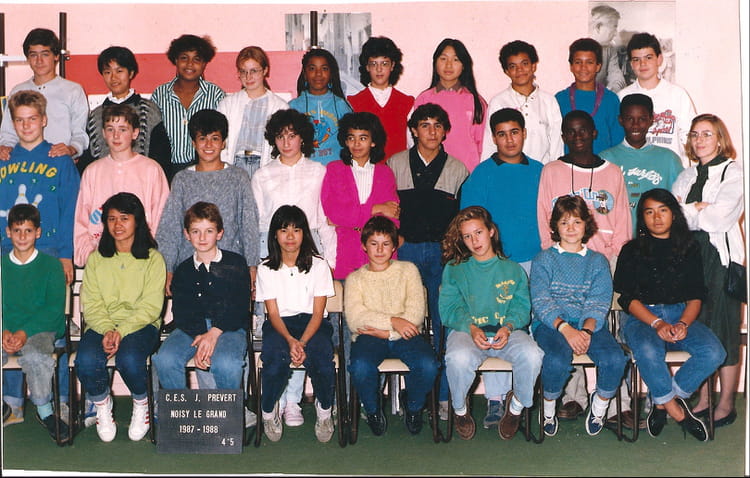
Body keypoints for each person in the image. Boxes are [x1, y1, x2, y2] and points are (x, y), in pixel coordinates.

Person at [536, 110, 632, 425]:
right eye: (571, 132)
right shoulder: (552, 170)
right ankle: (573, 397)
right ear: (564, 136)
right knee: (566, 327)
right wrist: (554, 251)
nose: (577, 137)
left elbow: (622, 219)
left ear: (594, 133)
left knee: (605, 326)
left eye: (583, 131)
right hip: (561, 256)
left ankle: (617, 403)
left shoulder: (612, 172)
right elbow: (544, 214)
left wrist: (616, 256)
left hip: (605, 260)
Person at [614, 188, 726, 441]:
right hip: (642, 317)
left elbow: (696, 295)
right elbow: (627, 299)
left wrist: (684, 323)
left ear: (673, 214)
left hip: (679, 313)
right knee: (649, 351)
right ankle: (679, 414)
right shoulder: (631, 250)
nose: (656, 217)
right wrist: (656, 323)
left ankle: (662, 402)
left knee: (714, 352)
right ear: (642, 217)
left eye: (663, 210)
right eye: (649, 212)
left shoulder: (689, 248)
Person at [250, 108, 337, 427]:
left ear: (303, 138)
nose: (287, 142)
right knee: (280, 323)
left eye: (292, 135)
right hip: (272, 250)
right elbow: (259, 223)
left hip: (310, 246)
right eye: (280, 136)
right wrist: (258, 262)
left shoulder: (318, 171)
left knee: (306, 321)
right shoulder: (262, 175)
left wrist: (331, 261)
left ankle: (293, 402)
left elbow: (324, 219)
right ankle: (278, 399)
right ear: (273, 140)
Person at [459, 107, 543, 427]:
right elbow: (470, 222)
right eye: (502, 134)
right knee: (495, 326)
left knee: (527, 330)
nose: (509, 140)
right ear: (493, 138)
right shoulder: (482, 174)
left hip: (535, 260)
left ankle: (522, 397)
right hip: (495, 266)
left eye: (514, 132)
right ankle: (495, 398)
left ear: (524, 134)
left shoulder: (540, 171)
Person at [387, 103, 467, 420]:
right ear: (414, 130)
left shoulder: (458, 169)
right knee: (409, 323)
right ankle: (414, 395)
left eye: (437, 125)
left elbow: (461, 218)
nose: (431, 131)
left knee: (443, 324)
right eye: (424, 125)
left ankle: (443, 397)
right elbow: (387, 208)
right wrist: (396, 238)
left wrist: (451, 250)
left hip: (441, 255)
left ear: (445, 131)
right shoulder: (395, 164)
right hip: (406, 254)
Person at [438, 205, 543, 441]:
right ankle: (460, 410)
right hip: (468, 331)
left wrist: (508, 327)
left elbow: (521, 308)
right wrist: (471, 327)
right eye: (467, 236)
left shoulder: (513, 270)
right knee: (457, 358)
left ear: (491, 231)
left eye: (478, 232)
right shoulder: (454, 270)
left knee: (532, 355)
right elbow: (449, 308)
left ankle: (515, 408)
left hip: (506, 331)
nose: (474, 241)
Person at [530, 194, 626, 437]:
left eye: (576, 222)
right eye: (564, 222)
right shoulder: (544, 259)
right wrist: (566, 329)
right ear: (555, 226)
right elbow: (541, 301)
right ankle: (549, 407)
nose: (571, 228)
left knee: (615, 358)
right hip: (552, 325)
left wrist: (585, 331)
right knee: (556, 359)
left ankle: (600, 406)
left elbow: (599, 301)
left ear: (586, 224)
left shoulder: (597, 261)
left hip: (588, 325)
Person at [671, 114, 744, 429]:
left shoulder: (734, 173)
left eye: (707, 134)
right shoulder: (686, 175)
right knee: (698, 328)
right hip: (689, 259)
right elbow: (673, 219)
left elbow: (719, 219)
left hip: (721, 261)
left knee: (724, 328)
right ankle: (703, 398)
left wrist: (692, 212)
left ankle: (725, 402)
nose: (700, 140)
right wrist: (698, 208)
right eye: (695, 134)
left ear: (720, 139)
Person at [74, 192, 166, 442]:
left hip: (141, 325)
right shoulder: (96, 259)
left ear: (137, 221)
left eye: (124, 218)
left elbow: (150, 307)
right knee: (85, 361)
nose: (117, 225)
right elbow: (92, 303)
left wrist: (121, 331)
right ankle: (102, 406)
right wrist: (107, 329)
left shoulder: (153, 259)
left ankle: (142, 404)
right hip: (102, 325)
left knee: (130, 359)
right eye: (111, 219)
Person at [345, 215, 438, 436]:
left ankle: (413, 406)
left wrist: (387, 333)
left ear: (394, 246)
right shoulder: (354, 279)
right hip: (369, 337)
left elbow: (416, 313)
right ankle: (373, 410)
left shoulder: (408, 270)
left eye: (386, 243)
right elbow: (356, 318)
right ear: (364, 246)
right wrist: (393, 321)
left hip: (406, 335)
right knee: (360, 366)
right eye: (373, 243)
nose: (379, 250)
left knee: (428, 365)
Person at [156, 109, 259, 298]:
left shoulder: (238, 177)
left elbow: (249, 225)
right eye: (202, 138)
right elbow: (170, 228)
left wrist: (252, 265)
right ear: (193, 143)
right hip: (190, 268)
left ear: (224, 142)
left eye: (215, 138)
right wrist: (167, 268)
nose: (209, 145)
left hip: (230, 269)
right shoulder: (182, 179)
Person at [255, 205, 336, 443]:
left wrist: (302, 342)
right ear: (274, 234)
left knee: (322, 357)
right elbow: (273, 313)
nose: (290, 237)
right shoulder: (265, 268)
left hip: (313, 323)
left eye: (296, 230)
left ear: (304, 234)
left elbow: (318, 313)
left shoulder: (319, 265)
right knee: (275, 358)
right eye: (284, 230)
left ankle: (324, 411)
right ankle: (268, 411)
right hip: (280, 325)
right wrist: (291, 341)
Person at [153, 202, 250, 393]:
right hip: (191, 329)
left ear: (219, 233)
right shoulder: (182, 270)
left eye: (209, 231)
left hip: (229, 328)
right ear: (187, 234)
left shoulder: (236, 263)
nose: (202, 237)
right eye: (196, 231)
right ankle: (183, 409)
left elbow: (239, 307)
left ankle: (228, 411)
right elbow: (181, 312)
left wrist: (213, 333)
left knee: (227, 363)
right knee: (165, 359)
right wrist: (201, 339)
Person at [2, 204, 70, 442]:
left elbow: (53, 310)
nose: (22, 236)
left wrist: (24, 332)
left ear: (38, 233)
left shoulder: (51, 266)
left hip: (40, 330)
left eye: (28, 231)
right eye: (17, 230)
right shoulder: (1, 266)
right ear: (8, 232)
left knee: (35, 355)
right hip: (7, 330)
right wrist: (4, 330)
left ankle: (45, 411)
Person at [74, 104, 169, 268]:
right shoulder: (92, 171)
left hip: (141, 258)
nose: (116, 136)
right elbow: (81, 221)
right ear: (103, 133)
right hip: (102, 258)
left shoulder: (151, 170)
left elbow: (162, 218)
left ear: (135, 133)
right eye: (110, 129)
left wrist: (150, 254)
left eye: (123, 129)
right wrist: (89, 256)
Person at [321, 111, 399, 281]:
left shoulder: (385, 173)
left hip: (380, 256)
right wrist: (376, 209)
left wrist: (350, 219)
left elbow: (392, 219)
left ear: (373, 142)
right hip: (346, 253)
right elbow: (334, 215)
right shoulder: (334, 170)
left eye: (363, 138)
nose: (356, 144)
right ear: (345, 141)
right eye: (351, 138)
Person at [76, 46, 171, 178]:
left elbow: (161, 155)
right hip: (105, 182)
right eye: (107, 72)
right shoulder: (96, 115)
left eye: (119, 71)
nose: (113, 77)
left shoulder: (149, 111)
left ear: (131, 73)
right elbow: (88, 160)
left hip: (142, 181)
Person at [0, 28, 88, 163]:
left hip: (59, 163)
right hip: (24, 164)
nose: (39, 61)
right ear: (28, 58)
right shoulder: (17, 91)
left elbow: (80, 134)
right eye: (33, 55)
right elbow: (8, 134)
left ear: (56, 56)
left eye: (45, 54)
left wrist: (71, 149)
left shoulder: (73, 91)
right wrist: (5, 148)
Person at [600, 93, 683, 235]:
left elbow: (679, 205)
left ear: (651, 120)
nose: (635, 125)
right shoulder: (605, 159)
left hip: (658, 240)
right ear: (620, 120)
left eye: (642, 119)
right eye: (629, 119)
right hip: (618, 240)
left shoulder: (669, 159)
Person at [150, 34, 225, 179]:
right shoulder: (160, 94)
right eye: (184, 58)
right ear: (176, 60)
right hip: (167, 171)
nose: (190, 64)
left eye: (196, 59)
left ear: (204, 63)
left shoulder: (215, 95)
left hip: (204, 169)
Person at [617, 33, 696, 167]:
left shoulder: (678, 94)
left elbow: (690, 137)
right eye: (636, 59)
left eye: (648, 57)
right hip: (635, 170)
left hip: (671, 171)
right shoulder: (622, 97)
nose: (643, 64)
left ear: (659, 59)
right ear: (631, 64)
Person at [481, 40, 563, 164]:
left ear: (533, 66)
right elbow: (489, 145)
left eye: (524, 64)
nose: (520, 70)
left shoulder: (548, 101)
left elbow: (556, 143)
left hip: (542, 171)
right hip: (507, 170)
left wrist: (554, 171)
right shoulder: (498, 102)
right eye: (513, 66)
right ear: (506, 71)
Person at [413, 38, 486, 172]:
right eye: (443, 59)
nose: (448, 65)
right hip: (431, 173)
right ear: (435, 63)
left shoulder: (476, 102)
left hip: (467, 172)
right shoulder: (423, 99)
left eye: (455, 60)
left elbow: (483, 144)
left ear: (464, 65)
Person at [217, 46, 290, 177]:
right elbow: (220, 140)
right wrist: (225, 167)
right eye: (243, 71)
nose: (248, 77)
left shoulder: (280, 107)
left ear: (265, 70)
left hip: (265, 165)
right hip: (234, 164)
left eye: (254, 71)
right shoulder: (227, 104)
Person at [348, 36, 414, 160]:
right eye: (374, 64)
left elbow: (412, 144)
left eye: (384, 63)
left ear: (392, 65)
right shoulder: (353, 103)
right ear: (367, 67)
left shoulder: (407, 103)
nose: (379, 69)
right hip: (365, 168)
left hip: (398, 169)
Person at [555, 38, 624, 155]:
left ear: (598, 66)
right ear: (571, 66)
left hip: (603, 164)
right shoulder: (560, 99)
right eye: (578, 62)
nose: (583, 67)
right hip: (568, 164)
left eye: (589, 62)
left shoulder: (611, 99)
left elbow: (618, 141)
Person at [288, 48, 353, 165]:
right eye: (312, 68)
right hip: (304, 170)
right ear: (305, 74)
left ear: (331, 73)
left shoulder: (341, 105)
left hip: (335, 170)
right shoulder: (293, 107)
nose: (318, 74)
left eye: (324, 69)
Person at [589, 4, 627, 93]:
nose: (616, 33)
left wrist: (612, 90)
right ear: (598, 27)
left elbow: (616, 75)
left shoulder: (610, 49)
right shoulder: (576, 48)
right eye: (614, 27)